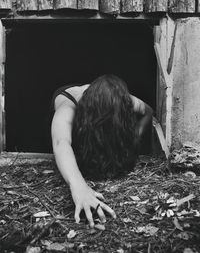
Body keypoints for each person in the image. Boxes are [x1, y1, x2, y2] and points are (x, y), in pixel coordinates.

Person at [51, 74, 153, 228]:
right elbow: (61, 143)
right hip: (80, 103)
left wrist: (134, 139)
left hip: (106, 99)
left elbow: (148, 112)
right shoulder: (67, 105)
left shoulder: (125, 101)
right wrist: (79, 186)